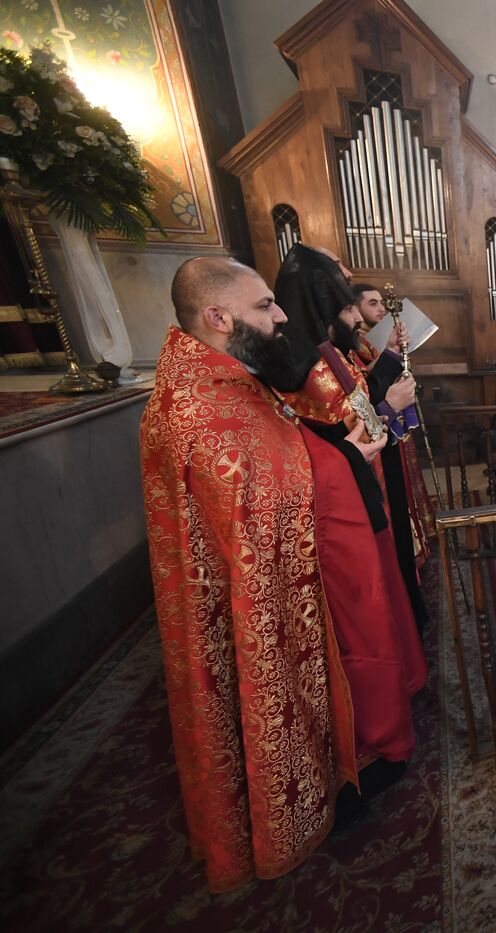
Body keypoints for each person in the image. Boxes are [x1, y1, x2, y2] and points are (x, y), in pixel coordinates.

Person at [141, 257, 358, 891]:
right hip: (248, 615)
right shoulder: (201, 411)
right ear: (218, 317)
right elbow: (265, 507)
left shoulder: (226, 380)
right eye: (265, 305)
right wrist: (346, 466)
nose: (282, 314)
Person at [273, 244, 427, 774]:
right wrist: (393, 406)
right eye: (343, 311)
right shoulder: (313, 368)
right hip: (345, 503)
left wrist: (385, 404)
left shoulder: (331, 353)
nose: (353, 318)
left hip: (366, 491)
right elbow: (360, 433)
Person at [348, 283, 432, 632]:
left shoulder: (364, 345)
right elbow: (366, 395)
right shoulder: (354, 350)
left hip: (385, 435)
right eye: (371, 303)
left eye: (381, 303)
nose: (379, 309)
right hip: (370, 449)